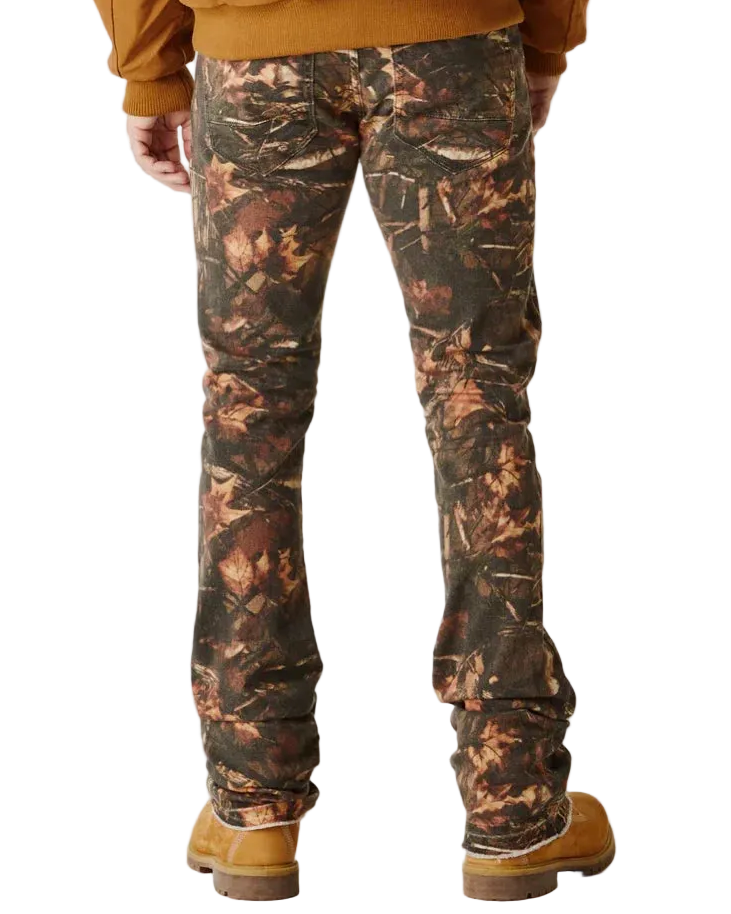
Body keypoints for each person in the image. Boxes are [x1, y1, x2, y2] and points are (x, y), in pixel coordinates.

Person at [92, 0, 614, 902]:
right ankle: (512, 802)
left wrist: (149, 62)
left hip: (254, 60)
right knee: (477, 400)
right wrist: (543, 37)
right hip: (452, 41)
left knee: (250, 412)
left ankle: (254, 808)